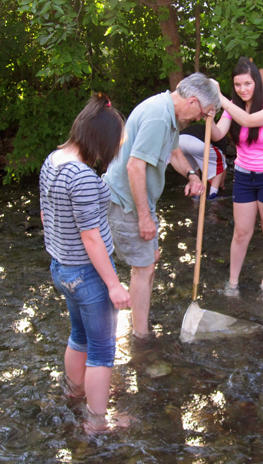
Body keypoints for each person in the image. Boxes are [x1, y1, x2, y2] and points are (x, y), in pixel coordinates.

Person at [39, 93, 132, 432]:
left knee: (78, 335)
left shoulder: (53, 160)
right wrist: (113, 285)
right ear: (101, 140)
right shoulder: (81, 177)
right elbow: (91, 237)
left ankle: (74, 391)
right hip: (88, 274)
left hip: (61, 268)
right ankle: (97, 421)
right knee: (103, 351)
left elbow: (45, 214)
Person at [103, 73, 220, 339]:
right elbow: (135, 167)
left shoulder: (170, 113)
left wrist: (192, 174)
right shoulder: (158, 117)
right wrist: (145, 218)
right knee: (143, 268)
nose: (199, 120)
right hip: (126, 202)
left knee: (150, 261)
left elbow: (174, 151)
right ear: (192, 101)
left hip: (140, 200)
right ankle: (140, 337)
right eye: (201, 114)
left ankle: (139, 319)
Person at [211, 59, 263, 301]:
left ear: (256, 82)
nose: (243, 89)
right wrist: (209, 114)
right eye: (237, 84)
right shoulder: (231, 107)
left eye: (247, 83)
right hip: (244, 176)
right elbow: (217, 134)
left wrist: (220, 97)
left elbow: (248, 121)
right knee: (241, 232)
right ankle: (233, 282)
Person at [179, 124, 227, 200]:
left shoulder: (200, 128)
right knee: (221, 161)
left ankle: (196, 194)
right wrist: (221, 185)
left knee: (193, 170)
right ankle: (213, 194)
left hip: (179, 142)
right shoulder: (220, 136)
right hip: (196, 143)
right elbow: (221, 166)